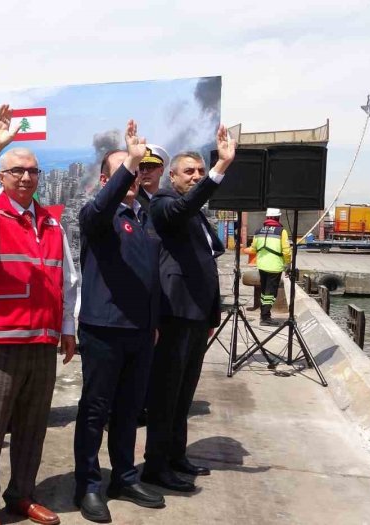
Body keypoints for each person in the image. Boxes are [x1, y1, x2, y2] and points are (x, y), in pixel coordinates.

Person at [0, 105, 78, 525]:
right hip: (1, 345)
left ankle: (22, 496)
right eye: (17, 171)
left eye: (32, 171)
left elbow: (68, 279)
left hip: (42, 345)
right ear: (2, 178)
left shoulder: (51, 223)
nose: (26, 177)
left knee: (32, 430)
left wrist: (67, 328)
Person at [73, 122, 164, 523]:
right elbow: (101, 206)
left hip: (140, 332)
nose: (137, 172)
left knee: (129, 410)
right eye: (127, 168)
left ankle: (124, 476)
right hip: (104, 330)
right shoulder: (95, 214)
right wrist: (128, 159)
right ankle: (89, 485)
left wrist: (153, 322)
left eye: (139, 167)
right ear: (108, 178)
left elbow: (150, 275)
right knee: (96, 411)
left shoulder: (145, 215)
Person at [143, 125, 236, 493]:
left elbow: (205, 261)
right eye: (189, 172)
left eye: (200, 172)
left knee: (184, 393)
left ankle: (176, 455)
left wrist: (211, 315)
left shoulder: (194, 214)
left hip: (196, 317)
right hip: (174, 317)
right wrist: (220, 168)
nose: (195, 177)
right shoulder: (165, 204)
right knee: (166, 395)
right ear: (173, 176)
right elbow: (184, 207)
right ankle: (156, 466)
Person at [244, 208, 291, 327]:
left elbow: (253, 249)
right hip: (274, 267)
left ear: (267, 217)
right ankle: (265, 317)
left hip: (262, 266)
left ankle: (264, 315)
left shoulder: (258, 231)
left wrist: (243, 250)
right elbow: (286, 251)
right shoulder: (281, 231)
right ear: (278, 217)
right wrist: (288, 264)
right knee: (271, 293)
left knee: (264, 291)